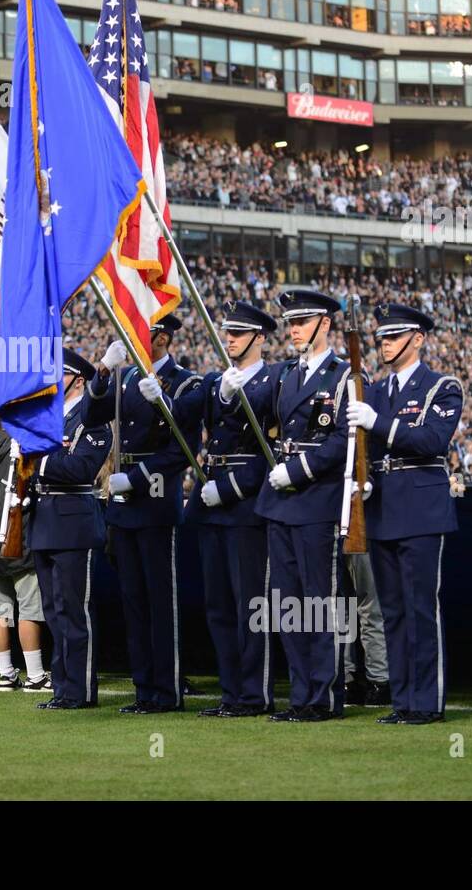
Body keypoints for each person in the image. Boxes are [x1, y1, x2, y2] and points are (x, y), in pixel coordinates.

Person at [347, 304, 462, 725]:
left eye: (394, 337)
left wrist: (379, 424)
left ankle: (427, 702)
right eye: (382, 338)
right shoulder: (373, 390)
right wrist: (366, 477)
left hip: (420, 507)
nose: (385, 344)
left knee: (419, 608)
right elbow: (366, 449)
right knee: (391, 610)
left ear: (418, 338)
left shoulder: (441, 386)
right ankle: (403, 701)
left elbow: (431, 440)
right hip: (382, 507)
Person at [87, 316, 201, 714]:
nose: (132, 337)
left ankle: (167, 691)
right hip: (123, 501)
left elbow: (182, 447)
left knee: (160, 602)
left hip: (153, 497)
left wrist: (134, 478)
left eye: (141, 330)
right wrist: (102, 371)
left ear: (162, 338)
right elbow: (91, 416)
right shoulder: (123, 378)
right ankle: (143, 690)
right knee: (133, 602)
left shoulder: (187, 382)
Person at [170, 301, 276, 718]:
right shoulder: (215, 381)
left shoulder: (273, 381)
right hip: (210, 505)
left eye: (238, 333)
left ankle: (254, 694)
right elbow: (179, 417)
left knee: (250, 605)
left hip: (244, 505)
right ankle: (231, 692)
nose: (229, 339)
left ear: (258, 338)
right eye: (227, 332)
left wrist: (230, 488)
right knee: (218, 607)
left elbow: (268, 453)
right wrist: (217, 392)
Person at [252, 289, 353, 723]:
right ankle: (300, 694)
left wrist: (300, 470)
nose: (293, 330)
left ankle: (324, 696)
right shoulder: (283, 374)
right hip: (281, 503)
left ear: (324, 325)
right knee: (287, 603)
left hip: (315, 499)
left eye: (302, 322)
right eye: (290, 323)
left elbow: (339, 441)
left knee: (321, 602)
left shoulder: (342, 376)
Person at [27, 349, 111, 709]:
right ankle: (63, 688)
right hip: (43, 519)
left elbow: (81, 469)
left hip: (73, 521)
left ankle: (80, 690)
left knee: (75, 611)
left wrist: (39, 461)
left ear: (77, 378)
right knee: (53, 611)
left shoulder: (91, 420)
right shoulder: (45, 418)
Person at [0, 414, 50, 692]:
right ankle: (36, 675)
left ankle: (6, 674)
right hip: (17, 529)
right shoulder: (24, 444)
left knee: (0, 609)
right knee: (29, 606)